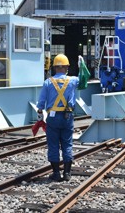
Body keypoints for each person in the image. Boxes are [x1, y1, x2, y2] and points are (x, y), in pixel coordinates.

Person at [36, 53, 89, 181]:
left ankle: (56, 173)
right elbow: (84, 79)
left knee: (53, 144)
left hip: (53, 117)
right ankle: (67, 173)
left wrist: (39, 114)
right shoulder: (72, 81)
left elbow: (41, 103)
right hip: (67, 116)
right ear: (66, 68)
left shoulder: (48, 82)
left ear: (54, 68)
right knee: (67, 143)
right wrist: (82, 65)